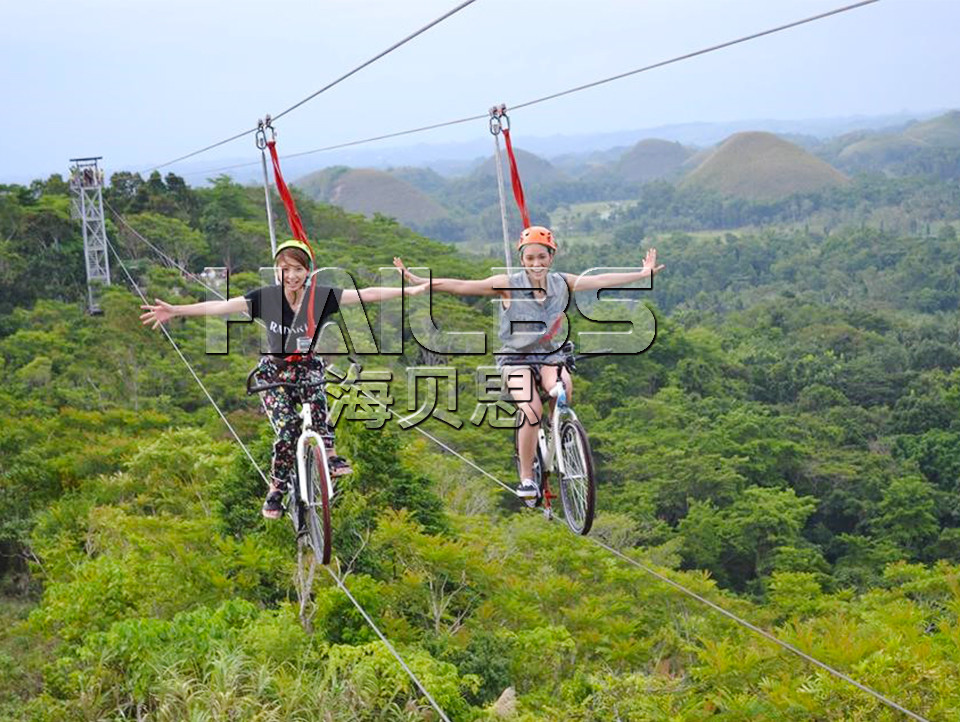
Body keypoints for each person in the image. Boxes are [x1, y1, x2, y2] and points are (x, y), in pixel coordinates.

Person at [140, 239, 428, 519]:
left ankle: (328, 452)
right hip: (274, 373)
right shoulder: (265, 298)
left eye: (298, 269)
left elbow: (366, 294)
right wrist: (176, 310)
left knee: (317, 402)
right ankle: (276, 488)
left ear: (308, 272)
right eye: (285, 269)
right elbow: (220, 307)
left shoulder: (320, 297)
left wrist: (410, 292)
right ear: (277, 271)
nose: (291, 276)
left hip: (307, 366)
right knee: (288, 427)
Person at [394, 225, 663, 500]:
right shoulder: (508, 285)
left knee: (562, 388)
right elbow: (464, 286)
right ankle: (526, 477)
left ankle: (557, 429)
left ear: (551, 258)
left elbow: (599, 281)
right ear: (522, 260)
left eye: (542, 257)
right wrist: (423, 282)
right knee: (531, 409)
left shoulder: (561, 282)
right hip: (515, 358)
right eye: (530, 258)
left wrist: (642, 275)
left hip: (549, 354)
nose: (536, 264)